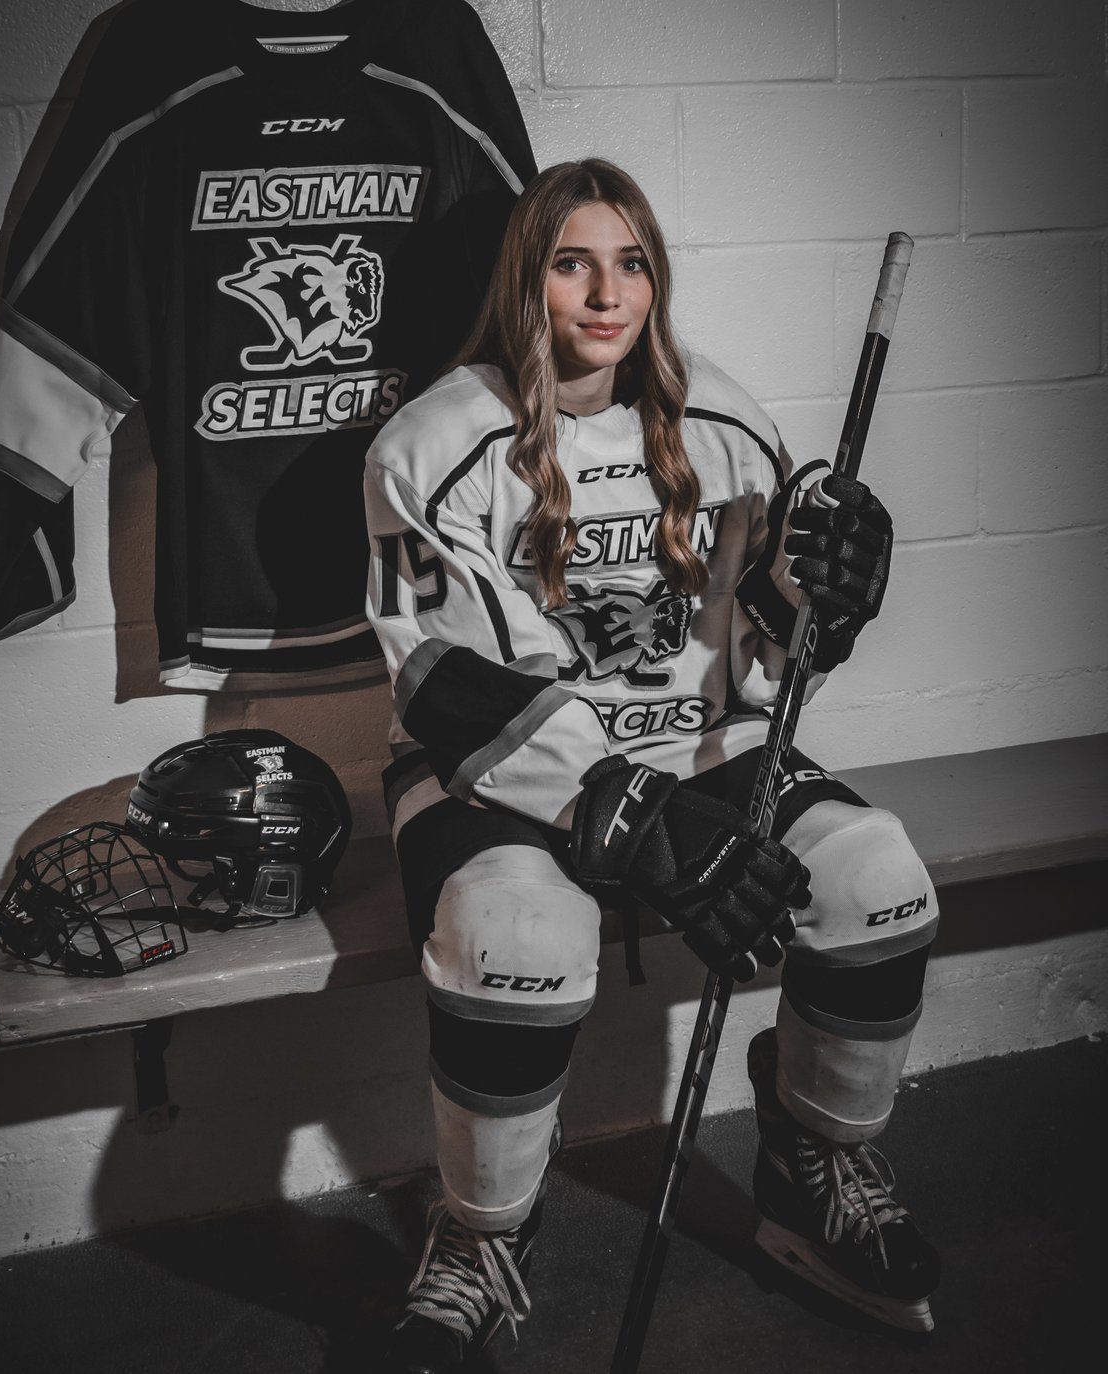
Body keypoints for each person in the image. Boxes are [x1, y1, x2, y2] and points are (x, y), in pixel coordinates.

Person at [363, 158, 940, 1370]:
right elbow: (441, 683)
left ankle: (811, 1163)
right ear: (526, 280)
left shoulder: (724, 421)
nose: (606, 293)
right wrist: (631, 812)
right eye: (572, 263)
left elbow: (768, 668)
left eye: (630, 263)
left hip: (694, 745)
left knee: (879, 878)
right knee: (518, 938)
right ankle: (481, 1234)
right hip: (495, 772)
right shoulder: (431, 442)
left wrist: (825, 600)